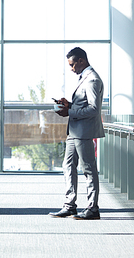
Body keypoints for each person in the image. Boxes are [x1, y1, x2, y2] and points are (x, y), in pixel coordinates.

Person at [49, 47, 104, 220]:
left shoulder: (92, 79)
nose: (71, 69)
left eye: (73, 65)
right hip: (74, 131)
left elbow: (94, 109)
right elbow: (83, 105)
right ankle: (70, 205)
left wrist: (70, 112)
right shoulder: (84, 78)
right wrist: (69, 105)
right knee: (68, 166)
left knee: (88, 169)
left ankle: (92, 208)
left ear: (82, 61)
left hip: (84, 131)